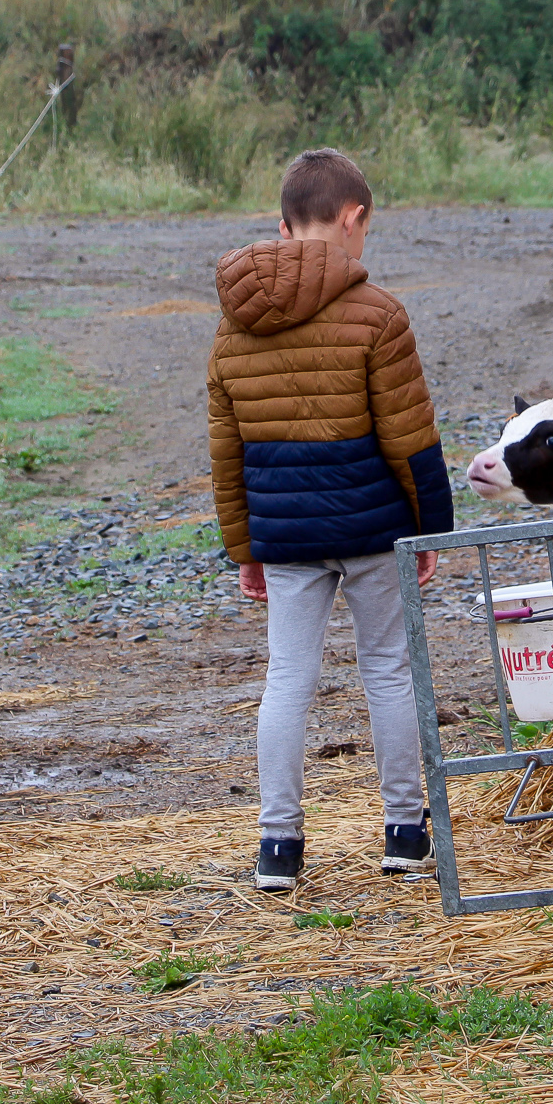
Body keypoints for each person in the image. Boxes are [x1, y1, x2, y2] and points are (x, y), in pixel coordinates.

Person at [207, 148, 455, 892]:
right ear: (353, 218)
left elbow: (226, 453)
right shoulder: (379, 314)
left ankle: (277, 846)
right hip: (372, 528)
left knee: (287, 677)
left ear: (284, 226)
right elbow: (409, 436)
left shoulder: (233, 326)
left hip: (285, 536)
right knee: (387, 669)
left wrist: (244, 547)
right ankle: (405, 834)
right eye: (365, 230)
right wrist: (429, 528)